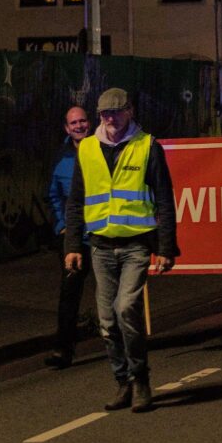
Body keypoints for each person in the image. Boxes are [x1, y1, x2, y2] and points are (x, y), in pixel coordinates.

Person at [64, 88, 179, 413]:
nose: (110, 119)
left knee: (126, 308)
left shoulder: (147, 146)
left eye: (116, 112)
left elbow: (164, 199)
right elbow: (76, 201)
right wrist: (72, 246)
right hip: (100, 245)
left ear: (129, 111)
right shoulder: (88, 148)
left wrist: (166, 248)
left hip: (136, 244)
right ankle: (123, 381)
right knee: (107, 320)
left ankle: (140, 379)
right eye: (105, 114)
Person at [44, 106, 91, 369]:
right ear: (66, 128)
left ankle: (121, 343)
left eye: (82, 121)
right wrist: (62, 227)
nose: (79, 126)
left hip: (100, 234)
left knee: (113, 293)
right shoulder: (61, 157)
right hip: (73, 238)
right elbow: (53, 195)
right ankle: (63, 349)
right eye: (74, 123)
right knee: (69, 293)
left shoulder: (101, 149)